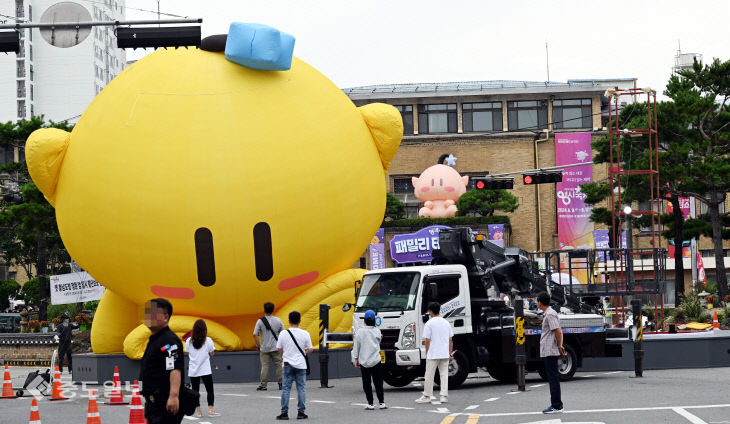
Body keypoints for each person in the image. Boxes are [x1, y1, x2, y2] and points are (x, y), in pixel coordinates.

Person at [139, 298, 185, 424]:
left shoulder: (169, 341)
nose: (148, 317)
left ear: (165, 317)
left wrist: (173, 396)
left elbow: (175, 369)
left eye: (152, 314)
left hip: (165, 401)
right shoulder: (155, 340)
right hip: (154, 402)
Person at [415, 302, 454, 405]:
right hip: (445, 353)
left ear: (431, 311)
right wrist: (450, 353)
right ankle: (443, 396)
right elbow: (450, 340)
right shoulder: (446, 322)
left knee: (429, 375)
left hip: (433, 353)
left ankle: (427, 396)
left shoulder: (429, 323)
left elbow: (427, 340)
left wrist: (427, 353)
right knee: (444, 375)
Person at [276, 311, 312, 420]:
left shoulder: (283, 333)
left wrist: (285, 356)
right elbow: (310, 349)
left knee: (286, 389)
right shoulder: (305, 333)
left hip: (287, 363)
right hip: (301, 364)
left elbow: (279, 348)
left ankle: (284, 413)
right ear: (300, 321)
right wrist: (303, 355)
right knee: (301, 388)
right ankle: (301, 412)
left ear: (288, 321)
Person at [537, 292, 566, 414]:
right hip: (548, 350)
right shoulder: (549, 313)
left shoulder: (549, 314)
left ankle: (556, 405)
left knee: (553, 379)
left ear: (540, 302)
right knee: (553, 378)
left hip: (550, 350)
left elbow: (558, 331)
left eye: (537, 301)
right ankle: (557, 404)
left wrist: (560, 345)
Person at [352, 310, 386, 410]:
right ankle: (382, 403)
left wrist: (356, 359)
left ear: (365, 320)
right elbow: (379, 340)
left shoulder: (360, 332)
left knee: (367, 383)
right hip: (376, 360)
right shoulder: (377, 330)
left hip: (364, 361)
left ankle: (370, 404)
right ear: (374, 320)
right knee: (378, 382)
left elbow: (356, 347)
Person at [185, 319, 220, 418]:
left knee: (195, 391)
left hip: (193, 369)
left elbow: (188, 352)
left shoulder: (189, 341)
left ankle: (198, 411)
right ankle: (211, 410)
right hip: (205, 369)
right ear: (205, 329)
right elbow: (212, 353)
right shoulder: (208, 340)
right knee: (210, 390)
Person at [253, 302, 284, 391]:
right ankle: (281, 383)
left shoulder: (260, 321)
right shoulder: (278, 320)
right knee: (278, 365)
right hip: (276, 347)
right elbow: (283, 333)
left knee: (265, 366)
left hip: (264, 348)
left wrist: (258, 345)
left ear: (264, 309)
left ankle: (263, 385)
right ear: (273, 309)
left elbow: (255, 334)